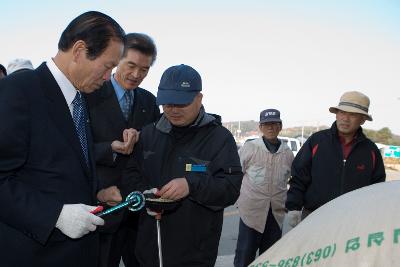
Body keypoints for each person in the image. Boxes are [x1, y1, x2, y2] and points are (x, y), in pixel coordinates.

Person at [0, 11, 125, 267]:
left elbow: (55, 167)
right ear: (79, 50)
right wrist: (55, 216)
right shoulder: (19, 91)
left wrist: (96, 193)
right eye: (107, 66)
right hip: (36, 255)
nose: (107, 77)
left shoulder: (79, 98)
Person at [115, 64, 243, 266]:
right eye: (167, 103)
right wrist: (146, 195)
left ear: (199, 98)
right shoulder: (148, 134)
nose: (173, 110)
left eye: (181, 103)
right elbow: (130, 174)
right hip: (148, 249)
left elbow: (230, 188)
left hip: (195, 254)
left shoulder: (219, 139)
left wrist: (191, 185)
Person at [86, 32, 160, 267]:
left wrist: (141, 140)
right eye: (131, 65)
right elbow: (75, 148)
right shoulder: (91, 94)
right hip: (103, 202)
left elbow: (154, 150)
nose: (137, 74)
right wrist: (111, 148)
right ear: (117, 59)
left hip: (137, 209)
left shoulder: (149, 101)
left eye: (145, 69)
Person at [283, 91, 386, 234]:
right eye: (342, 112)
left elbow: (377, 190)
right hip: (313, 217)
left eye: (353, 115)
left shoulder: (371, 151)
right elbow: (299, 176)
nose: (345, 119)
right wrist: (293, 208)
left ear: (363, 120)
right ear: (336, 114)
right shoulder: (317, 141)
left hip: (353, 223)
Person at [234, 109, 294, 267]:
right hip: (251, 212)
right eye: (266, 124)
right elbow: (236, 174)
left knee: (270, 256)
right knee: (245, 255)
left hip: (276, 212)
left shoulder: (287, 153)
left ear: (280, 126)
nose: (270, 128)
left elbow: (292, 179)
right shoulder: (250, 148)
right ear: (260, 127)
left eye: (274, 124)